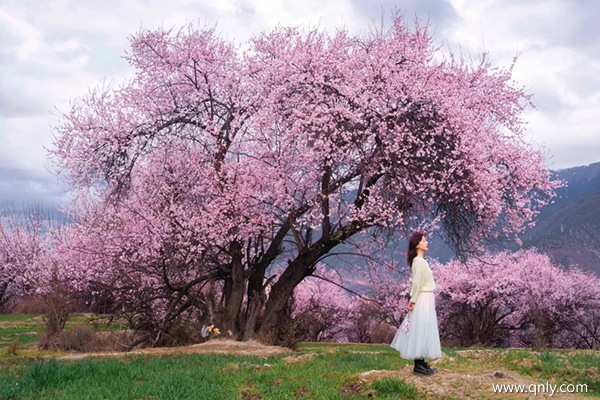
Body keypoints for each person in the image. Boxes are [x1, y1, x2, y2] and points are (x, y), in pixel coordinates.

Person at [390, 231, 442, 375]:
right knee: (421, 328)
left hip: (426, 297)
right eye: (424, 240)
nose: (426, 242)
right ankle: (418, 365)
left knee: (423, 328)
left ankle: (422, 363)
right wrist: (413, 300)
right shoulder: (418, 262)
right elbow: (417, 283)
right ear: (417, 245)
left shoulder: (421, 261)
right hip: (423, 299)